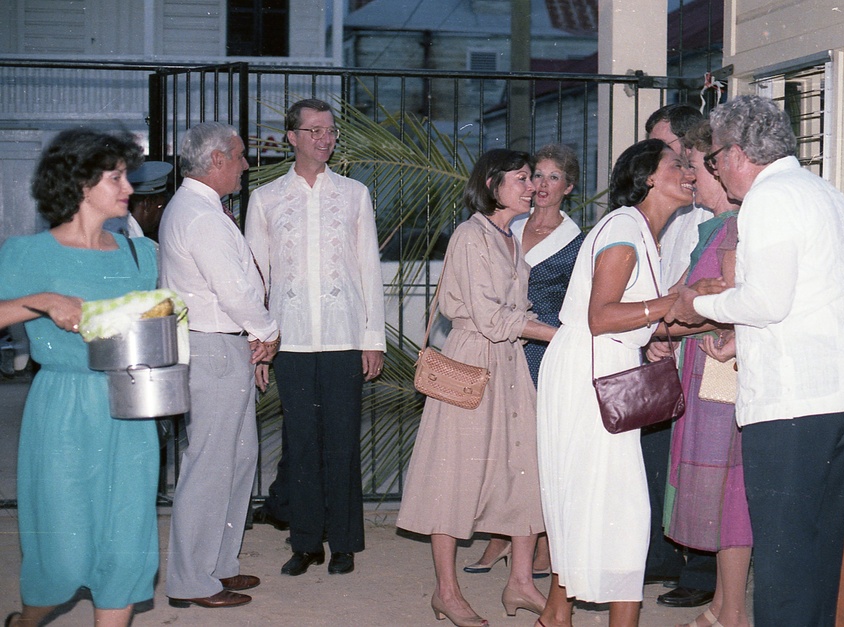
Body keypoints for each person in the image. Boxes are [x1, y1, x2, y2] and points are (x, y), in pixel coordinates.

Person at [671, 95, 844, 627]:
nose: (715, 171)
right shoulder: (822, 192)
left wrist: (700, 304)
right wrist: (742, 338)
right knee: (816, 551)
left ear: (737, 154)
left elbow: (764, 302)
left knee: (783, 561)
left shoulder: (767, 199)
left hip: (792, 407)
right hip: (842, 397)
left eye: (712, 160)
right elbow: (813, 297)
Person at [535, 139, 724, 627]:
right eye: (676, 165)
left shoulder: (642, 232)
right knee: (623, 508)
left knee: (591, 499)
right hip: (588, 374)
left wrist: (711, 312)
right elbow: (602, 316)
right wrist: (678, 299)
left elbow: (647, 319)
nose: (688, 172)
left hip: (598, 369)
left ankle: (556, 615)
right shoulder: (623, 229)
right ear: (647, 179)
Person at [0, 129, 158, 627]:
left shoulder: (142, 254)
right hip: (63, 409)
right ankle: (26, 622)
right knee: (62, 556)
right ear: (80, 183)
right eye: (115, 177)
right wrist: (41, 301)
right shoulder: (28, 254)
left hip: (131, 410)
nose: (128, 187)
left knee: (126, 547)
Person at [397, 149, 556, 627]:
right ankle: (447, 592)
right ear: (492, 184)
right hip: (473, 361)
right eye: (522, 178)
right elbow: (489, 319)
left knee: (525, 467)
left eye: (533, 179)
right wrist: (559, 333)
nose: (532, 186)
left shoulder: (510, 237)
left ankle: (521, 582)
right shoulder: (471, 236)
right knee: (454, 477)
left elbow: (514, 310)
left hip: (509, 363)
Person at [245, 98, 386, 577]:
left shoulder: (353, 195)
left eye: (330, 131)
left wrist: (373, 339)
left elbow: (369, 267)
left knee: (343, 441)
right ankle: (305, 542)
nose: (325, 139)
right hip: (291, 341)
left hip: (345, 336)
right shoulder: (264, 199)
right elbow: (255, 279)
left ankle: (344, 541)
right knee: (300, 441)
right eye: (315, 131)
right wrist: (259, 344)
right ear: (292, 137)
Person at [159, 121, 279, 609]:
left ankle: (218, 565)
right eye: (240, 156)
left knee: (238, 459)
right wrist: (268, 333)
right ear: (215, 161)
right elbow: (235, 292)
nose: (246, 166)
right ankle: (191, 579)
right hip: (212, 347)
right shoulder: (201, 216)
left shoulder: (198, 208)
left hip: (220, 346)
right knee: (210, 464)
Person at [464, 144, 585, 579]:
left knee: (544, 448)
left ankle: (545, 543)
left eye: (554, 178)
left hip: (547, 350)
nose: (542, 185)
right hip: (503, 347)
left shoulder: (580, 240)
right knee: (505, 446)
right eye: (537, 176)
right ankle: (501, 536)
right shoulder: (504, 227)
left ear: (568, 187)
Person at [652, 120, 751, 627]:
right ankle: (721, 605)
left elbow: (724, 304)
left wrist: (680, 313)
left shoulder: (736, 227)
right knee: (715, 494)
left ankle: (730, 610)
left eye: (696, 167)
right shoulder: (711, 228)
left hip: (721, 375)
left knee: (729, 494)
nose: (691, 177)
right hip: (701, 370)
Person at [643, 104, 718, 609]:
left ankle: (703, 572)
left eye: (669, 149)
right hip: (664, 342)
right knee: (663, 459)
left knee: (703, 461)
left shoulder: (712, 214)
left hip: (697, 346)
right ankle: (667, 556)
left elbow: (700, 286)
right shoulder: (674, 211)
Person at [103, 160, 173, 240]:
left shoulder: (115, 226)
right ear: (147, 204)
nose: (161, 214)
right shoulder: (132, 239)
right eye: (159, 207)